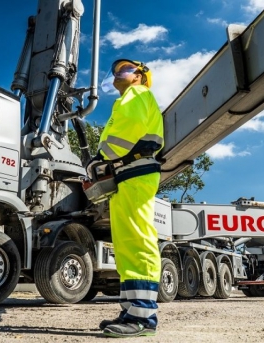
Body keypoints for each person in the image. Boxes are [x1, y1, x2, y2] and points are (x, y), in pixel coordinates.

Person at [93, 59, 163, 338]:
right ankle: (132, 311)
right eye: (116, 71)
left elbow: (126, 130)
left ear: (141, 76)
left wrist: (100, 158)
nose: (118, 74)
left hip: (135, 171)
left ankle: (143, 317)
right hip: (126, 175)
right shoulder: (130, 98)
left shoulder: (138, 94)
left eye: (125, 69)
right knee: (125, 245)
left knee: (137, 239)